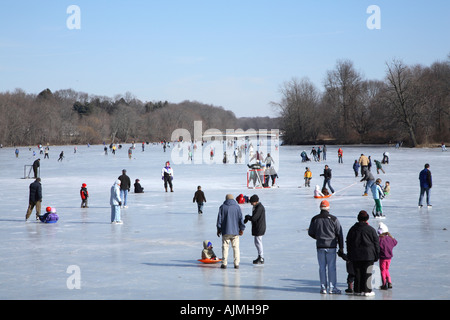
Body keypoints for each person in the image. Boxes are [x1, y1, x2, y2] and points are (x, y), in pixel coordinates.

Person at [308, 200, 344, 294]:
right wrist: (341, 247)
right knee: (332, 267)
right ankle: (332, 288)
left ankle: (323, 288)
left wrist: (318, 237)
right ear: (328, 208)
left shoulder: (315, 219)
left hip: (320, 246)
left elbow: (310, 232)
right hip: (331, 246)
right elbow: (339, 233)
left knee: (322, 267)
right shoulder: (333, 219)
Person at [346, 210, 380, 297]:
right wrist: (377, 255)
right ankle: (367, 291)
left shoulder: (353, 229)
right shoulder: (371, 229)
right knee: (367, 273)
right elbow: (376, 243)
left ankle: (357, 290)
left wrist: (349, 255)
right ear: (367, 219)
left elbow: (349, 243)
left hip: (356, 255)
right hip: (369, 255)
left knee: (357, 273)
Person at [216, 194, 245, 269]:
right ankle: (236, 264)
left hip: (225, 231)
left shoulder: (222, 207)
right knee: (236, 248)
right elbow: (240, 219)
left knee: (225, 247)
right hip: (235, 231)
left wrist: (219, 229)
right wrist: (241, 229)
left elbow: (219, 220)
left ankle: (224, 263)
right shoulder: (237, 207)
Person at [244, 195, 266, 265]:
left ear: (256, 201)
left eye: (252, 202)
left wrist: (248, 217)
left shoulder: (259, 207)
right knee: (256, 242)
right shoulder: (256, 207)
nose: (251, 204)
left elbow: (254, 218)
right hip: (257, 227)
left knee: (258, 242)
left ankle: (261, 257)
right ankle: (260, 256)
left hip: (260, 227)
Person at [378, 222, 398, 290]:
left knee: (383, 270)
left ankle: (384, 284)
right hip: (389, 257)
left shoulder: (380, 239)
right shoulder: (390, 238)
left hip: (382, 257)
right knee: (387, 269)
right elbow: (395, 242)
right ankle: (389, 282)